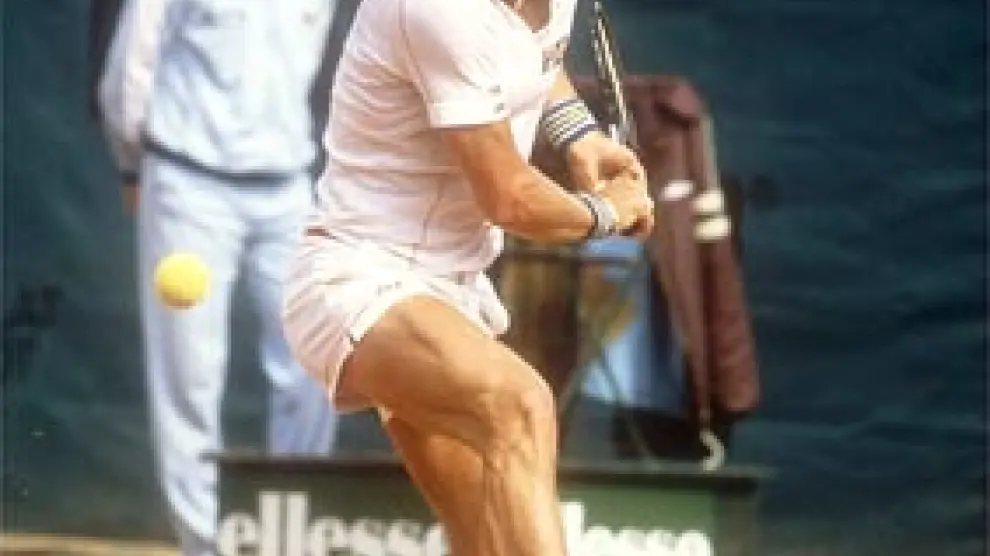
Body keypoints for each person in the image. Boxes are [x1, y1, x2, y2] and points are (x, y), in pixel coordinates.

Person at [280, 0, 655, 553]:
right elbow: (510, 198)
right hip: (360, 278)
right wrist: (608, 213)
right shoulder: (438, 10)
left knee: (486, 541)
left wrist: (580, 135)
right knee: (520, 407)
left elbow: (539, 60)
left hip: (455, 292)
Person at [97, 1, 340, 554]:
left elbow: (329, 70)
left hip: (289, 183)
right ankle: (205, 545)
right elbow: (132, 62)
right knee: (188, 377)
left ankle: (291, 533)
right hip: (187, 179)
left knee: (314, 359)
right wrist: (133, 164)